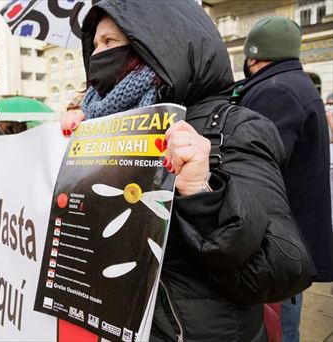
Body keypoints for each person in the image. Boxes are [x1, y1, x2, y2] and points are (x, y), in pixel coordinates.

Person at [61, 1, 313, 340]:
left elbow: (280, 271)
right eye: (94, 47)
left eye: (110, 43)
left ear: (157, 46)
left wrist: (200, 192)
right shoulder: (99, 127)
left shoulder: (233, 128)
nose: (97, 57)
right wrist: (70, 152)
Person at [233, 17, 333, 342]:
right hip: (291, 236)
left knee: (278, 326)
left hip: (277, 240)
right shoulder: (294, 84)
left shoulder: (276, 92)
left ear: (254, 56)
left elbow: (255, 166)